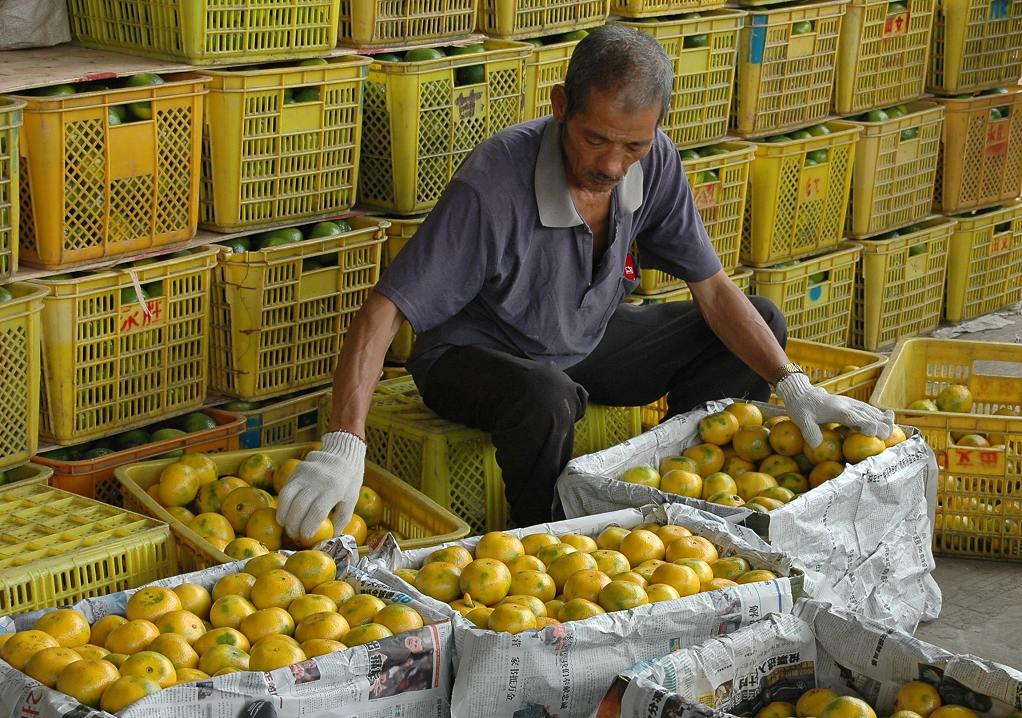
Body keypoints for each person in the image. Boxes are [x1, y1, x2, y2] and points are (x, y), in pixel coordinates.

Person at [276, 24, 894, 540]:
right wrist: (343, 442)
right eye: (595, 138)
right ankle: (539, 533)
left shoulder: (653, 165)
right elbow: (384, 311)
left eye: (632, 145)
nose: (611, 164)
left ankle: (668, 484)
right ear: (560, 106)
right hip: (473, 357)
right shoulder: (492, 183)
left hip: (581, 335)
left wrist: (791, 382)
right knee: (546, 396)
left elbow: (712, 288)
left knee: (758, 323)